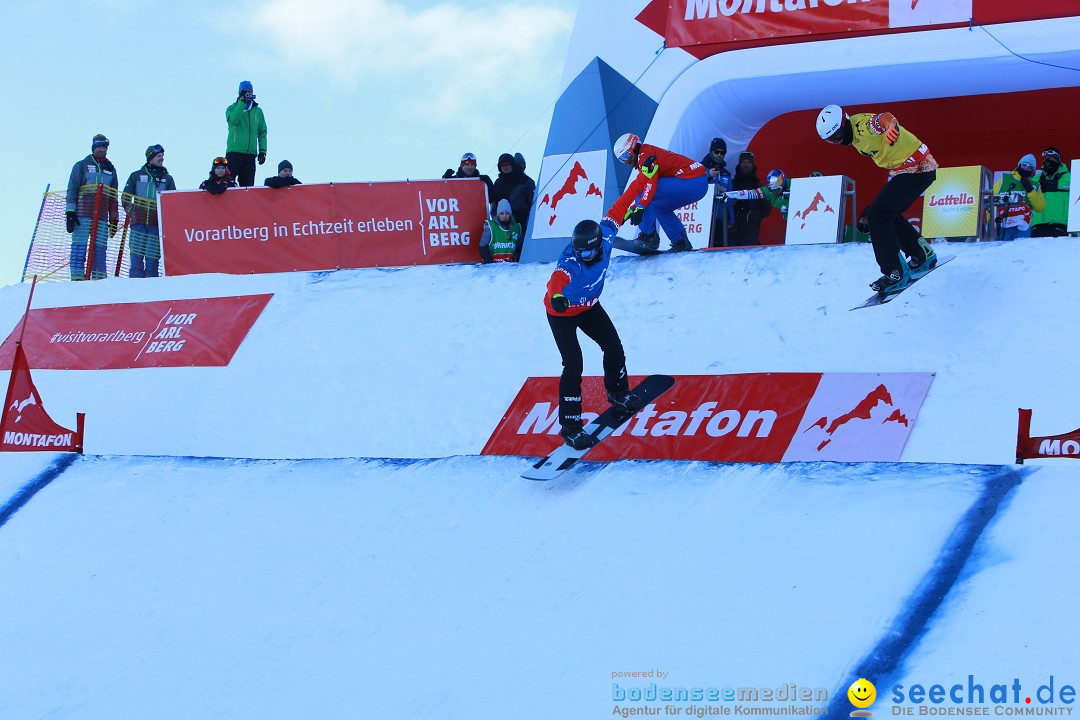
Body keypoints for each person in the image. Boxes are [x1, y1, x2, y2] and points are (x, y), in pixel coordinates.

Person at [816, 104, 938, 293]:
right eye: (831, 141)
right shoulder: (852, 133)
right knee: (888, 213)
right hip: (908, 169)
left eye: (838, 136)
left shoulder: (861, 126)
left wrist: (891, 126)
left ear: (845, 123)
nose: (838, 142)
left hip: (918, 168)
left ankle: (894, 272)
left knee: (877, 215)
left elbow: (883, 118)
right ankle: (922, 255)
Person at [544, 219, 642, 450]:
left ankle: (618, 393)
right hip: (561, 313)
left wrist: (638, 205)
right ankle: (571, 426)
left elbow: (619, 209)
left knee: (614, 347)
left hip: (588, 308)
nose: (584, 255)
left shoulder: (606, 237)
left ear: (599, 245)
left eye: (588, 250)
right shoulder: (571, 262)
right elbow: (556, 280)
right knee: (573, 365)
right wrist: (557, 297)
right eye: (579, 251)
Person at [602, 133, 708, 252]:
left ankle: (648, 237)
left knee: (642, 188)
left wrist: (640, 207)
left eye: (627, 155)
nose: (627, 161)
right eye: (622, 160)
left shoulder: (645, 154)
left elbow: (649, 184)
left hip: (692, 180)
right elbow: (650, 187)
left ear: (635, 148)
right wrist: (633, 209)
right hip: (697, 184)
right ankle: (680, 242)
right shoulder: (646, 154)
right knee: (659, 207)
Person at [65, 133, 120, 280]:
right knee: (79, 246)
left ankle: (99, 280)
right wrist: (70, 211)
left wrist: (113, 218)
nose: (102, 149)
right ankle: (77, 278)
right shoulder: (82, 165)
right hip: (82, 213)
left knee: (100, 249)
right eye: (99, 146)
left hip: (101, 216)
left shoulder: (111, 169)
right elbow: (72, 189)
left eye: (105, 146)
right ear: (94, 147)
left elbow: (113, 196)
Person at [121, 144, 176, 278]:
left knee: (152, 259)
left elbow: (173, 201)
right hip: (138, 224)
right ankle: (134, 286)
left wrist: (165, 219)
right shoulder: (136, 176)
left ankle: (152, 288)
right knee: (136, 256)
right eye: (158, 156)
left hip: (155, 225)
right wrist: (132, 213)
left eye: (162, 156)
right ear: (150, 157)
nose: (161, 158)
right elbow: (125, 197)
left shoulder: (167, 178)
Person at [993, 154, 1045, 241]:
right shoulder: (1004, 179)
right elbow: (991, 201)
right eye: (1024, 165)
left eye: (1030, 167)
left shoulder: (1035, 185)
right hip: (1003, 225)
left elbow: (1040, 207)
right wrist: (991, 222)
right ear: (1019, 164)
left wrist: (1031, 191)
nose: (1026, 168)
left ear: (1033, 171)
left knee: (1020, 252)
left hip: (1023, 227)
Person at [225, 80, 267, 187]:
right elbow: (233, 121)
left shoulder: (258, 111)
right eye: (246, 91)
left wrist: (262, 151)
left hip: (250, 155)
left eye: (250, 91)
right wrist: (241, 103)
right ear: (240, 92)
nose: (248, 93)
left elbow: (262, 132)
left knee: (247, 187)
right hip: (234, 153)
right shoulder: (232, 108)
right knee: (228, 184)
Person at [727, 151, 772, 246]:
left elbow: (767, 207)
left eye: (748, 162)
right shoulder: (731, 184)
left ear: (752, 165)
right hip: (733, 230)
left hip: (751, 231)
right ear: (739, 165)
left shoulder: (759, 186)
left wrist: (754, 216)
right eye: (743, 162)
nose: (746, 165)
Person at [490, 152, 536, 234]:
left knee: (520, 245)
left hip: (522, 223)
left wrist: (530, 222)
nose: (505, 168)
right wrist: (496, 220)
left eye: (508, 165)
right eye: (503, 165)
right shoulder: (498, 183)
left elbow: (533, 203)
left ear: (512, 165)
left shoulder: (526, 181)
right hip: (503, 225)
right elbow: (494, 204)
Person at [1030, 146, 1070, 237]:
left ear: (1058, 159)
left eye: (1050, 157)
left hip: (1060, 224)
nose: (1047, 160)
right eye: (1046, 158)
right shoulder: (1036, 179)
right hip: (1037, 224)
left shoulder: (1070, 177)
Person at [702, 137, 733, 247]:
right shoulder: (700, 168)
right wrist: (708, 176)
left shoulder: (725, 173)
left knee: (719, 250)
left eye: (722, 152)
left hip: (721, 217)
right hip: (703, 217)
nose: (719, 155)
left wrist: (731, 218)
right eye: (716, 152)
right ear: (711, 152)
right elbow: (693, 187)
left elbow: (729, 197)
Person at [479, 199, 522, 263]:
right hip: (494, 266)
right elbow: (483, 245)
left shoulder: (517, 227)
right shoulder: (490, 226)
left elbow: (520, 246)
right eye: (501, 213)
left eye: (507, 213)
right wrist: (488, 260)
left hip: (512, 266)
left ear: (510, 214)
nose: (504, 216)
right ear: (498, 214)